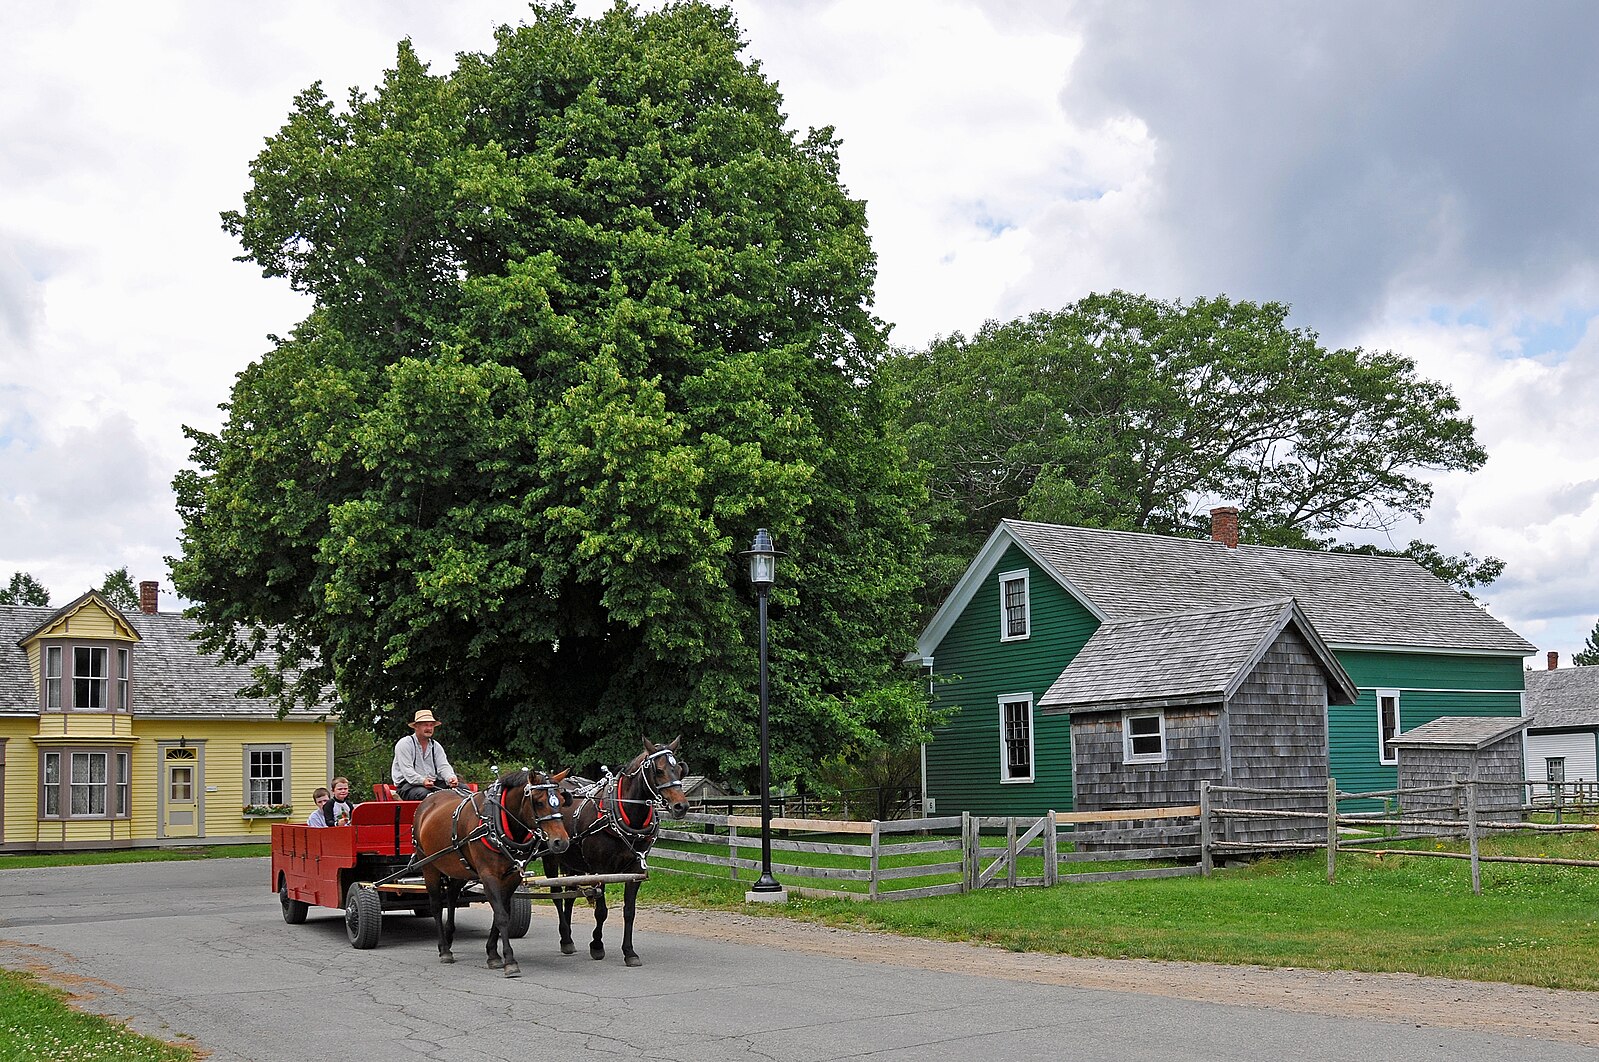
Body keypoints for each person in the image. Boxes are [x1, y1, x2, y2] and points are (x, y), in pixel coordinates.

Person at [391, 709, 459, 801]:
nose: (429, 728)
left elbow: (443, 766)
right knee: (427, 795)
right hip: (408, 786)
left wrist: (450, 778)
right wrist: (422, 781)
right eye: (425, 725)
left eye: (431, 725)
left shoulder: (435, 746)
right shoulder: (405, 744)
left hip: (432, 784)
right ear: (416, 726)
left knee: (462, 790)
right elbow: (407, 771)